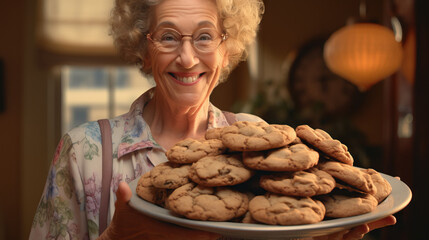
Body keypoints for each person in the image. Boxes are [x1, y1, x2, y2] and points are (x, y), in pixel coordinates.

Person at [29, 0, 396, 239]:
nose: (187, 58)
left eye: (205, 37)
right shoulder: (85, 151)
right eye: (168, 37)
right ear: (143, 50)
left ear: (226, 49)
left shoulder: (260, 144)